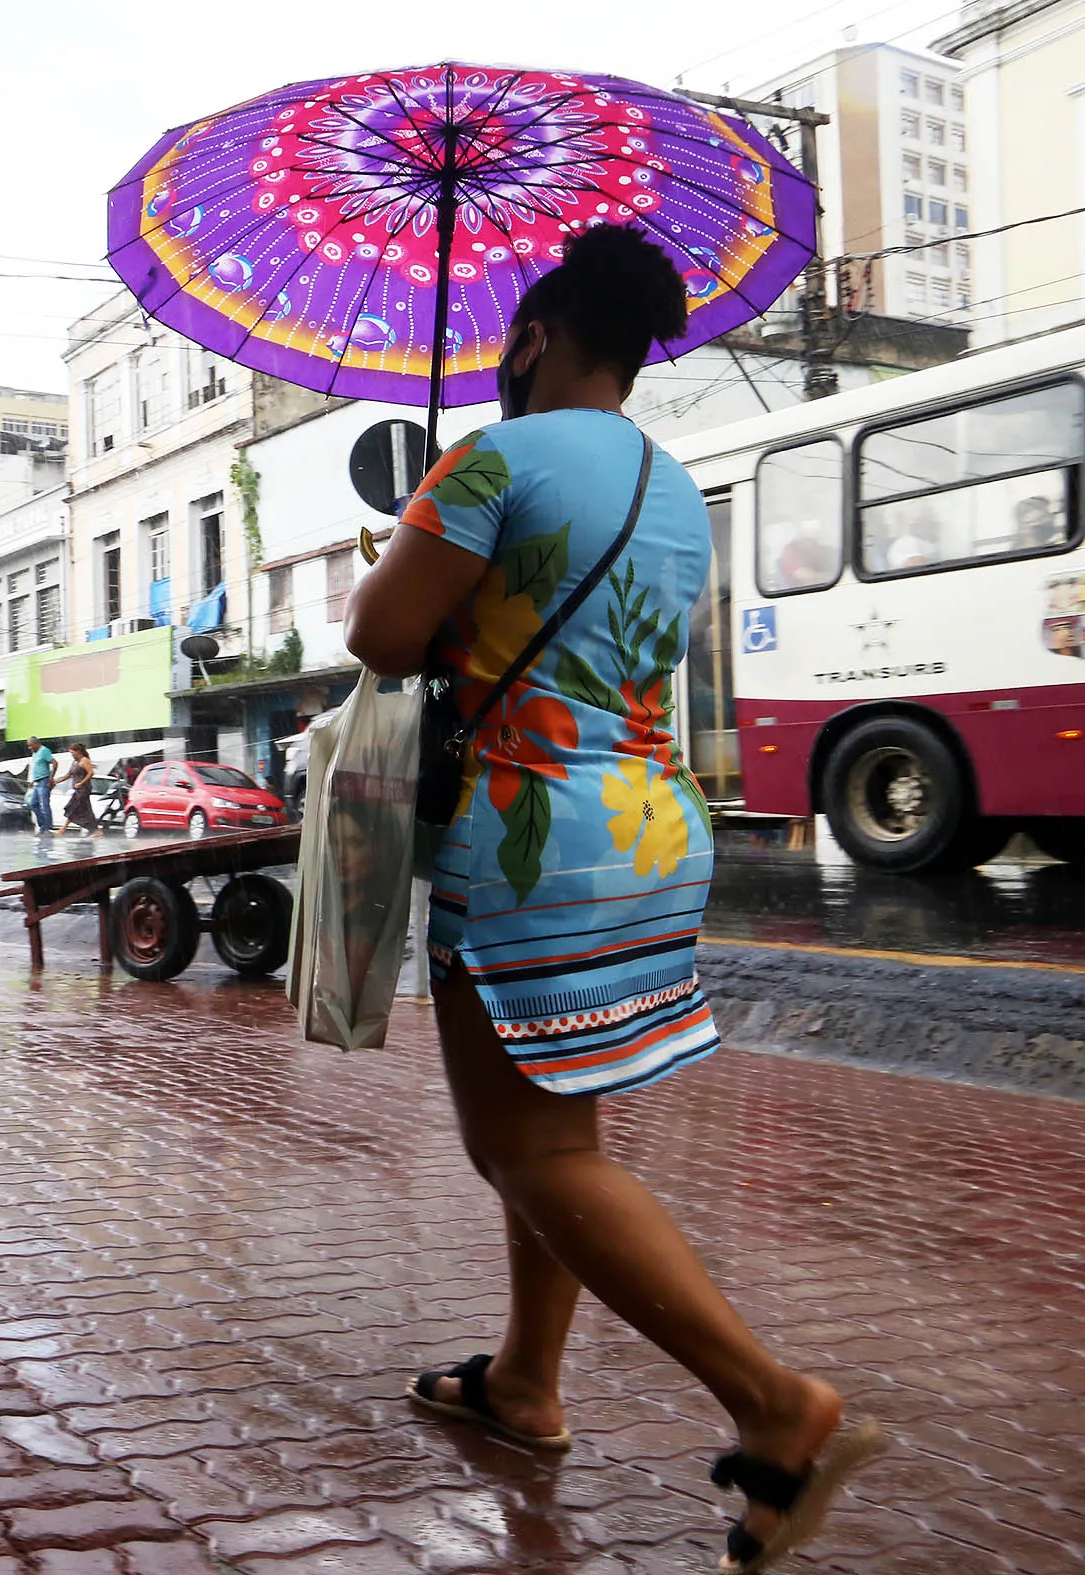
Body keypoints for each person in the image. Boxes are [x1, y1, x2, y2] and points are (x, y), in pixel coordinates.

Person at [344, 224, 881, 1575]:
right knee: (557, 1125)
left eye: (508, 344)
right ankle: (525, 1378)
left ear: (528, 339)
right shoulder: (669, 481)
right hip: (641, 826)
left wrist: (411, 533)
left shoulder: (492, 458)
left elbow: (381, 635)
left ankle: (772, 1401)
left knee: (527, 1150)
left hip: (520, 834)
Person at [60, 743, 100, 834]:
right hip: (77, 790)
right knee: (82, 809)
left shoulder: (84, 760)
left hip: (84, 789)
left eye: (72, 752)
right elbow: (68, 774)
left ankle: (63, 829)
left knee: (74, 807)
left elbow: (91, 773)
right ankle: (96, 831)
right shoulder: (75, 762)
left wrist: (81, 783)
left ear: (78, 751)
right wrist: (56, 781)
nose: (71, 755)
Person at [26, 736, 56, 835]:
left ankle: (47, 828)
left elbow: (55, 763)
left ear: (36, 743)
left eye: (30, 745)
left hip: (44, 781)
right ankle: (43, 825)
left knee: (44, 805)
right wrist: (33, 780)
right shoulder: (35, 753)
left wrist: (51, 777)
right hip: (37, 782)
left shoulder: (44, 750)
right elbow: (38, 767)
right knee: (33, 804)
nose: (29, 748)